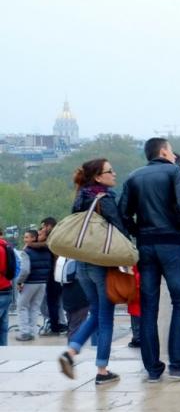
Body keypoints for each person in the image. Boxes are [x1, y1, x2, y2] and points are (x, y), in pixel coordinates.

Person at [119, 137, 180, 382]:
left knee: (148, 307)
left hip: (145, 244)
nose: (174, 155)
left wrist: (137, 231)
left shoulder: (133, 177)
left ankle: (153, 368)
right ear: (163, 151)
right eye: (171, 151)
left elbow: (123, 213)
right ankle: (178, 365)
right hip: (171, 243)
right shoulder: (174, 172)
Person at [58, 159, 128, 385]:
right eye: (110, 171)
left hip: (81, 263)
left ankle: (72, 350)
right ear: (98, 177)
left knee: (96, 312)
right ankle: (102, 370)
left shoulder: (80, 197)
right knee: (105, 317)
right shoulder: (104, 198)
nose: (114, 174)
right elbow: (119, 228)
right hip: (101, 263)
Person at [15, 229, 50, 341]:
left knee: (22, 306)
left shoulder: (27, 252)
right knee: (35, 307)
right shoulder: (46, 250)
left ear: (34, 238)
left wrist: (19, 281)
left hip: (30, 282)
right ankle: (32, 332)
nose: (24, 239)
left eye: (27, 237)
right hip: (42, 282)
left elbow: (25, 270)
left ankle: (24, 333)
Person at [39, 218, 67, 335]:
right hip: (60, 274)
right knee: (56, 302)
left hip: (55, 274)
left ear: (49, 226)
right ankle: (60, 324)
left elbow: (46, 244)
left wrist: (30, 243)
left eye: (43, 227)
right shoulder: (60, 234)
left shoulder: (54, 237)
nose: (42, 229)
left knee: (52, 302)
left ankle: (55, 326)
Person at [0, 233, 15, 346]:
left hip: (0, 289)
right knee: (3, 326)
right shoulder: (6, 246)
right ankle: (4, 351)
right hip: (7, 288)